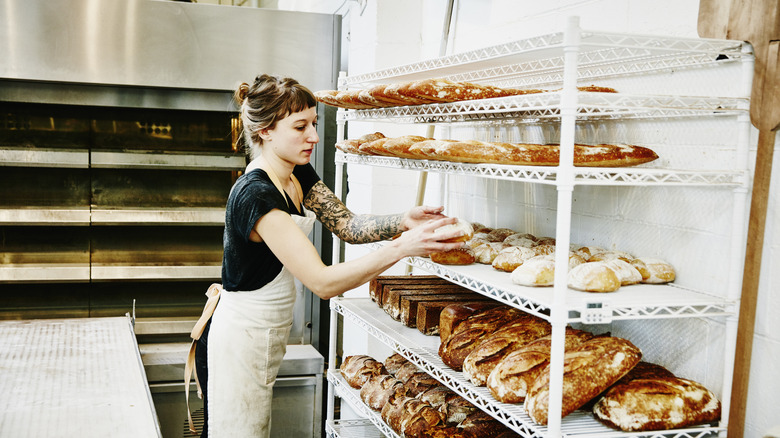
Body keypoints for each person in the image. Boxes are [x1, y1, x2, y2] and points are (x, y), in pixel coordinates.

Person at [193, 74, 466, 437]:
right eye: (300, 126)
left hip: (264, 335)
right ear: (266, 131)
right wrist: (403, 247)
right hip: (238, 341)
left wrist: (402, 221)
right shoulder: (257, 196)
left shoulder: (295, 172)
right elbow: (322, 282)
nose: (314, 137)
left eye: (315, 123)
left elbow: (346, 224)